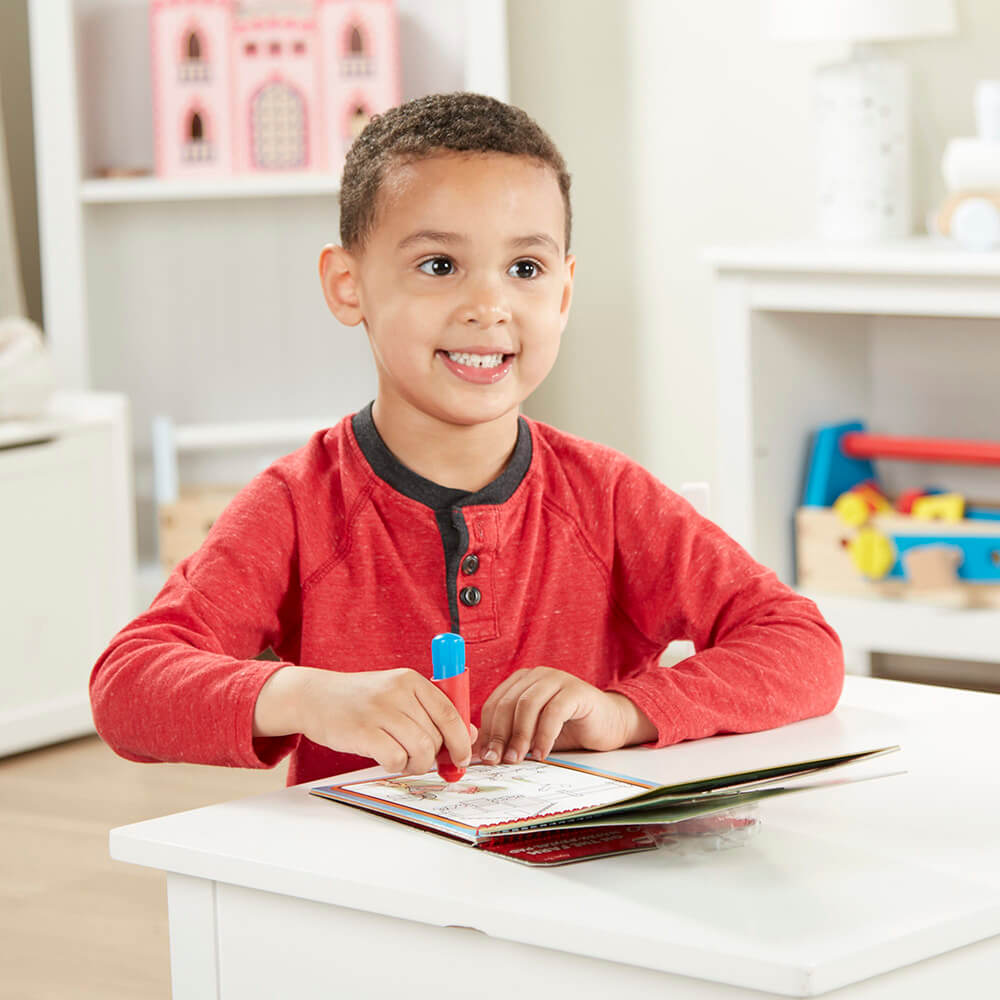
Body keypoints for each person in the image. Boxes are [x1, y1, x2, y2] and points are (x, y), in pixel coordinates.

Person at [90, 92, 843, 787]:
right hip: (366, 897)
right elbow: (126, 687)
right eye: (440, 265)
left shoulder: (606, 496)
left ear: (565, 292)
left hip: (578, 890)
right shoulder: (297, 504)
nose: (489, 305)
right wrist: (302, 695)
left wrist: (626, 712)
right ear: (347, 285)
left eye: (525, 267)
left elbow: (801, 646)